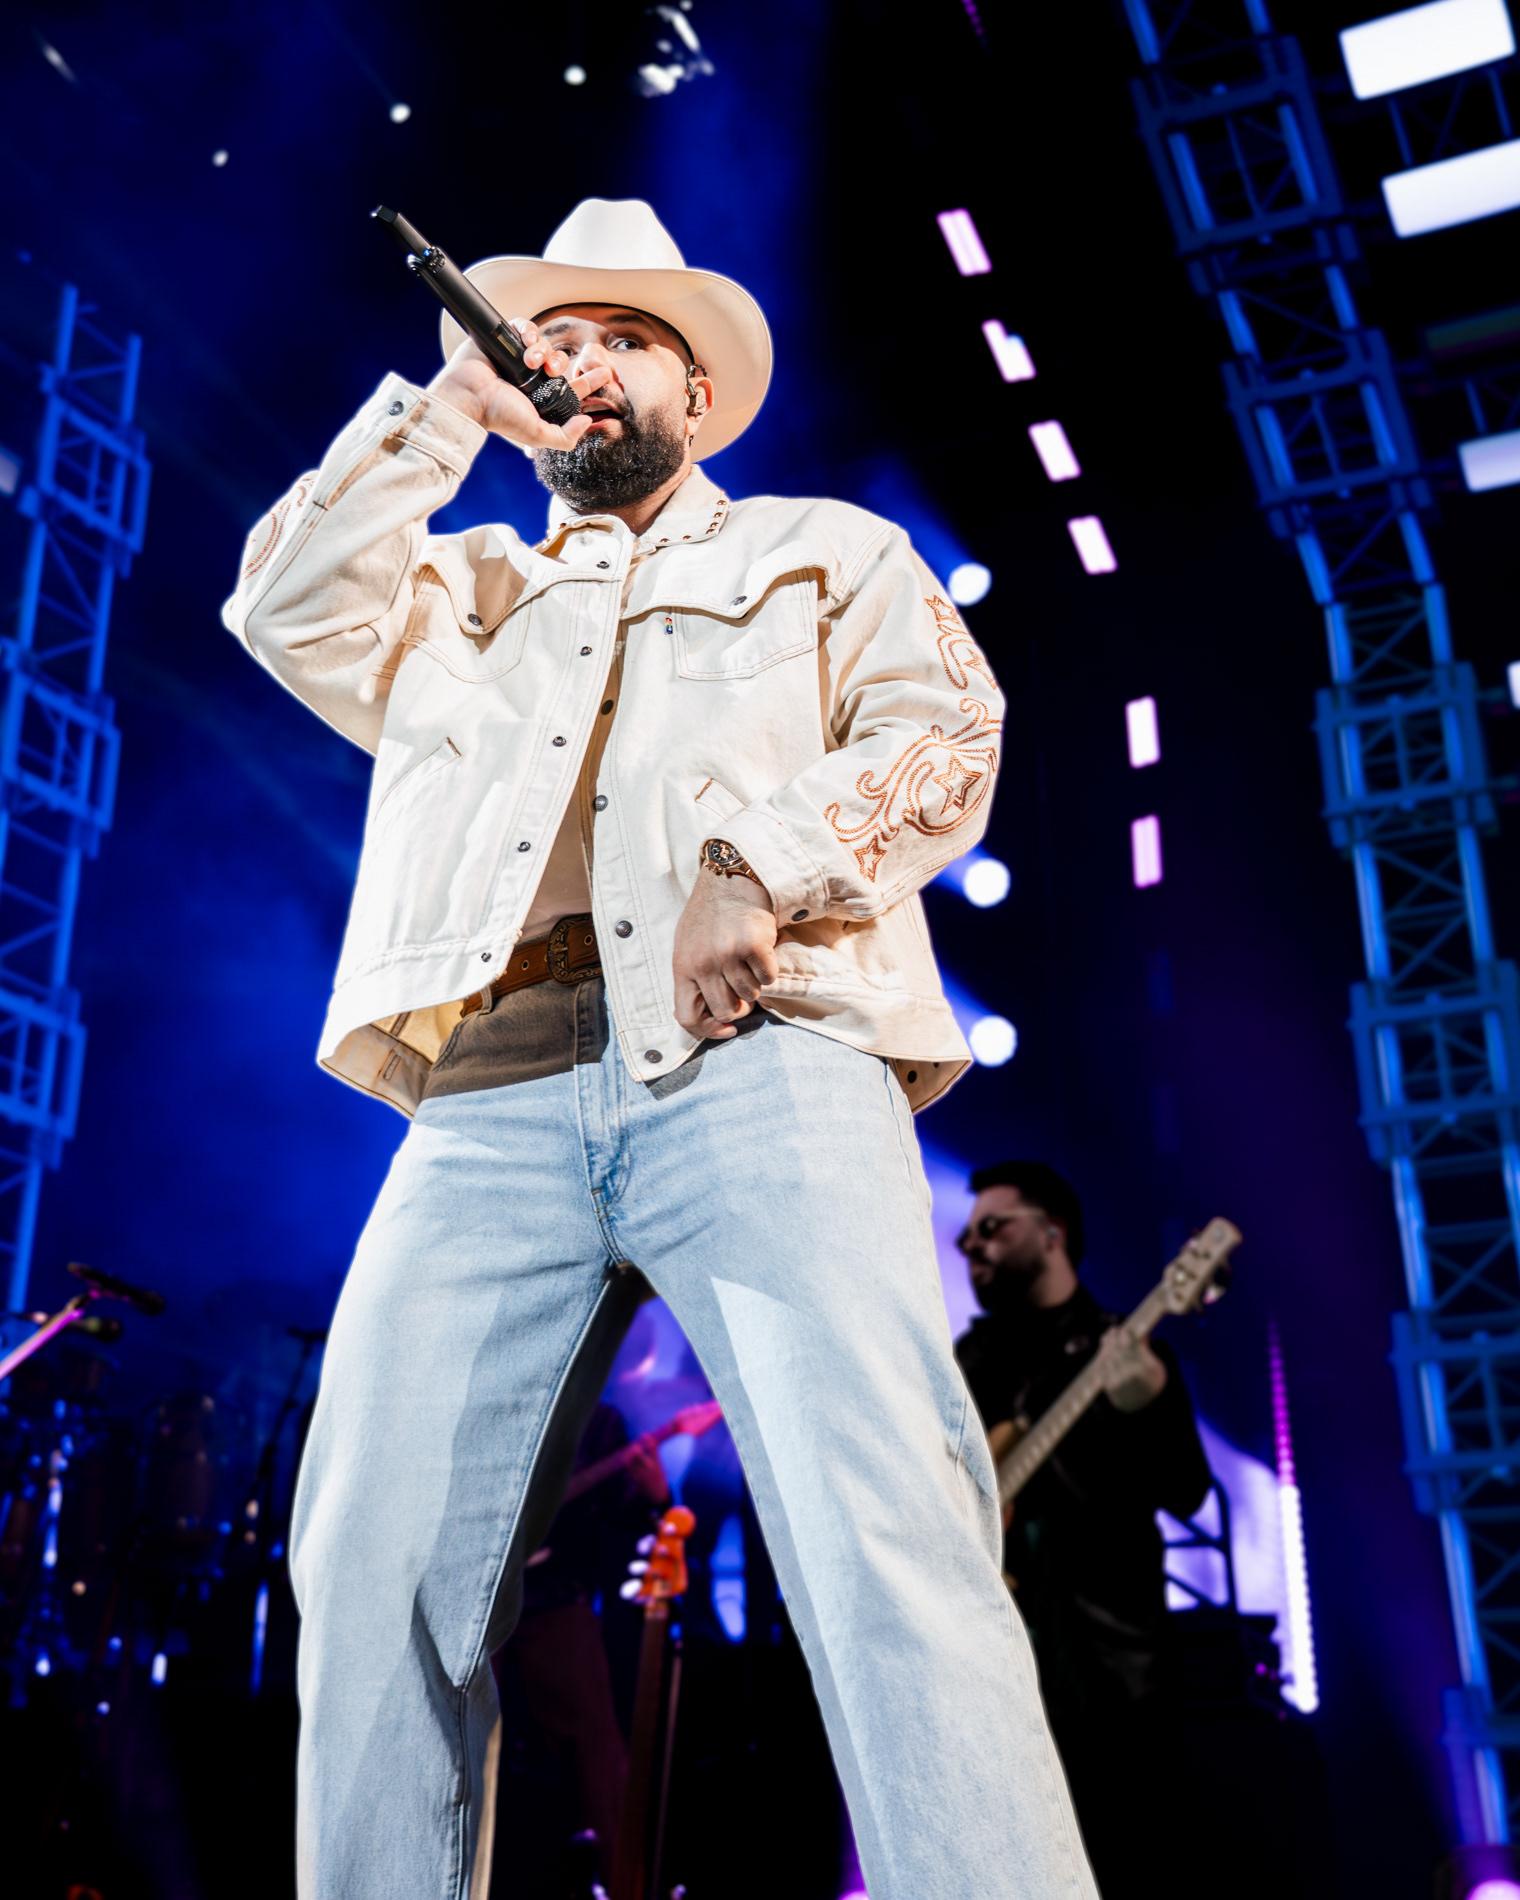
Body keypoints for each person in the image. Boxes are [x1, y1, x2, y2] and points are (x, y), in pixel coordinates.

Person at [223, 198, 1097, 1900]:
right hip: (489, 1091)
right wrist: (445, 416)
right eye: (556, 340)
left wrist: (758, 863)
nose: (582, 364)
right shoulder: (456, 585)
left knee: (884, 1537)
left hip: (762, 1059)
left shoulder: (825, 550)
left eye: (626, 340)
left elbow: (948, 732)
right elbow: (281, 611)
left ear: (698, 391)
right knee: (372, 1561)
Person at [954, 1160, 1213, 1899]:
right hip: (997, 1677)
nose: (972, 1245)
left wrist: (1147, 1405)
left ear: (1053, 1233)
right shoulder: (965, 1364)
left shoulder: (1125, 1348)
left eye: (992, 1228)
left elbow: (1188, 1491)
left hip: (1114, 1679)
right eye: (967, 1236)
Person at [494, 1401, 669, 1892]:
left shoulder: (597, 1419)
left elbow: (623, 1508)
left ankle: (623, 1885)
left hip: (552, 1593)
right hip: (472, 1596)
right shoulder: (487, 1401)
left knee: (597, 1750)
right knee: (455, 1737)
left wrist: (656, 1495)